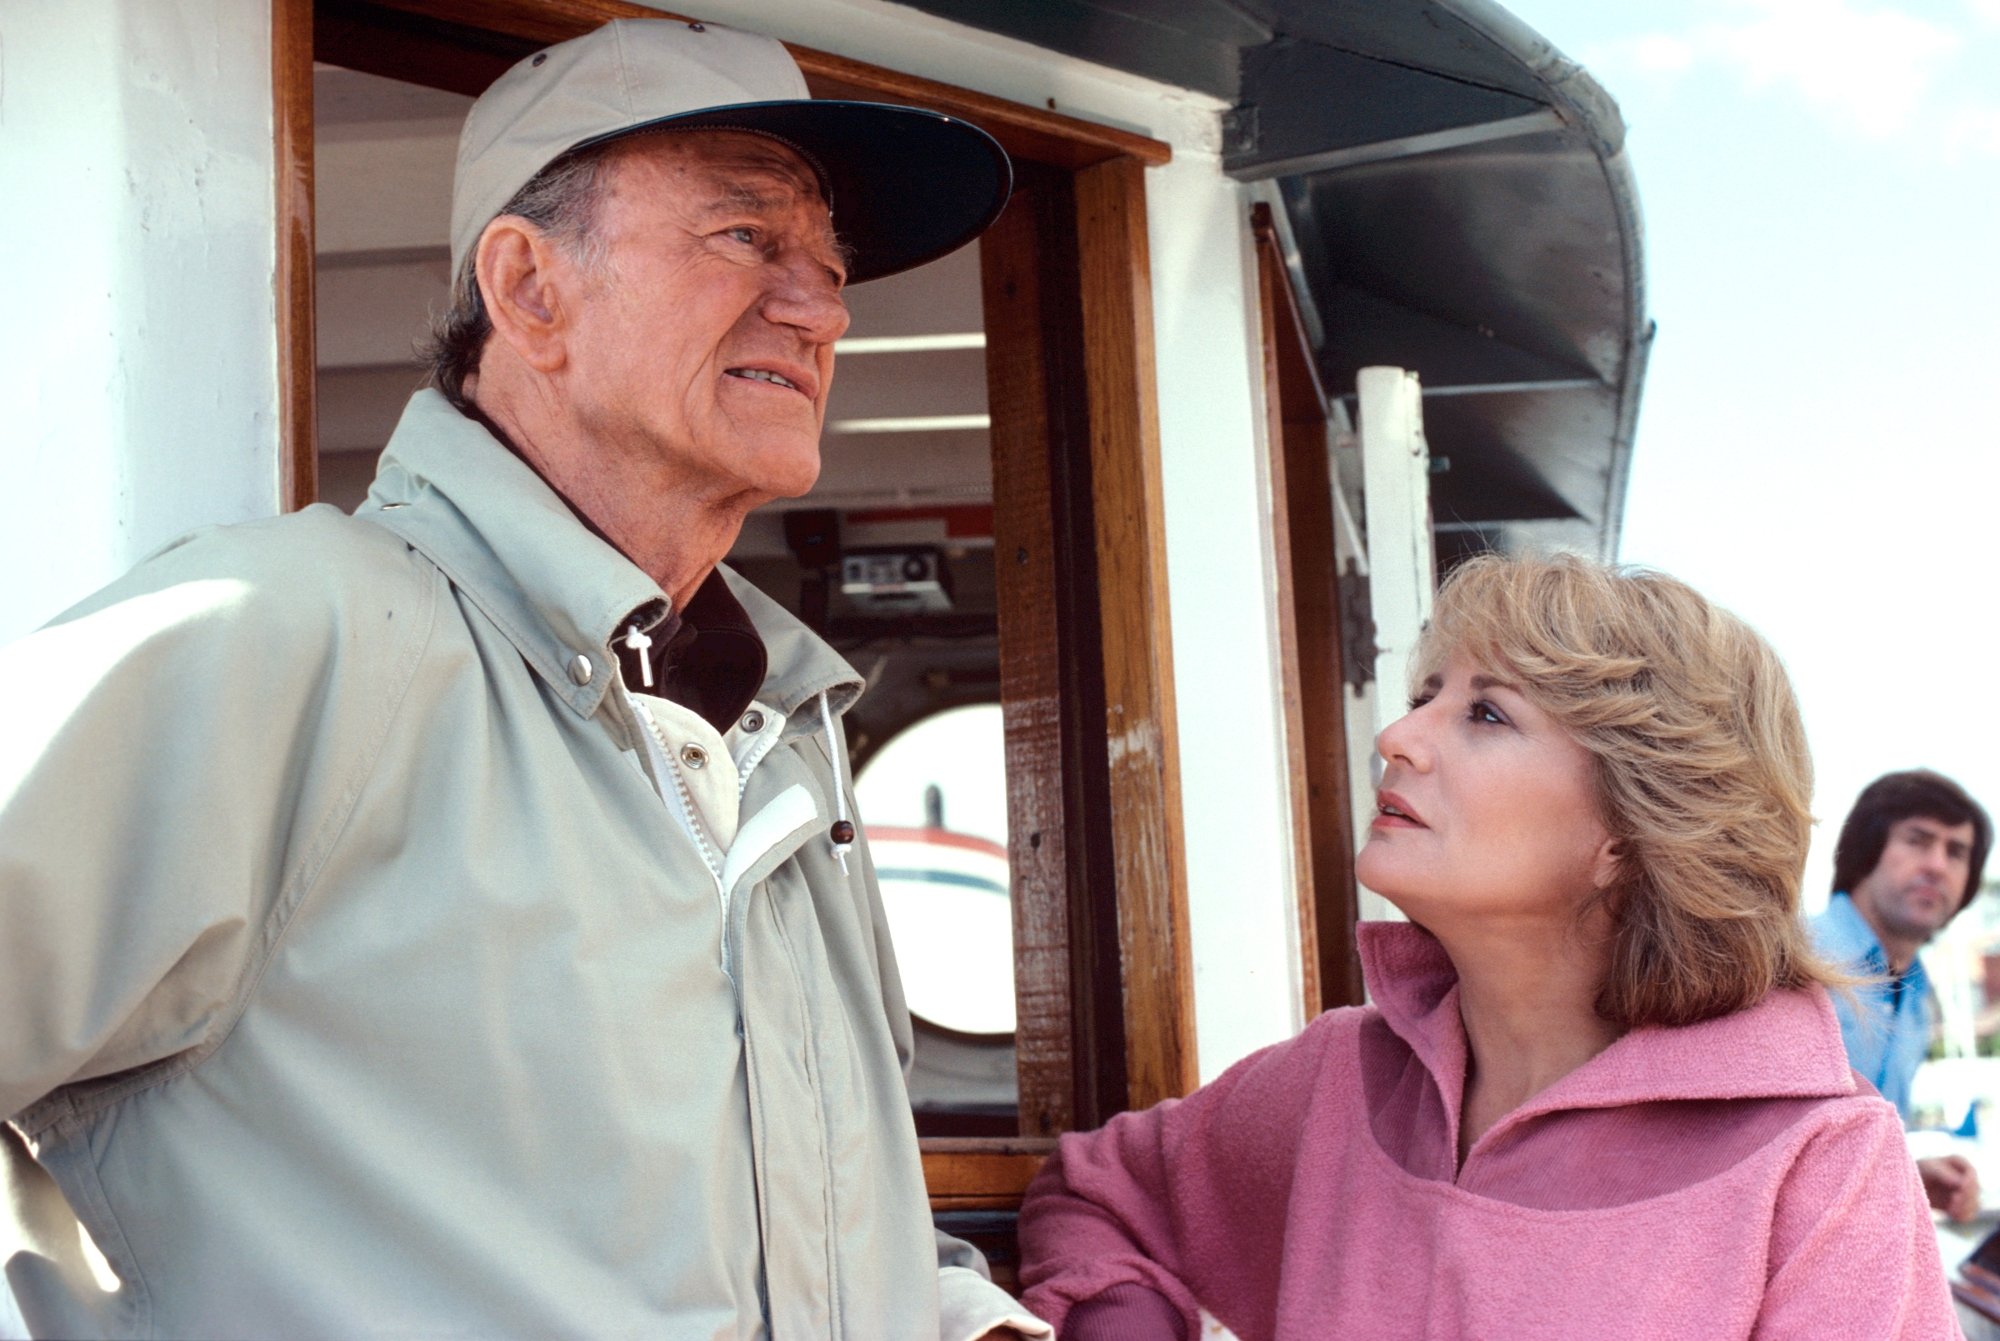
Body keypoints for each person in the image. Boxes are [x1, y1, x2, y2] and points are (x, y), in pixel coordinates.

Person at [0, 19, 1046, 1340]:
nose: (823, 305)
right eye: (748, 236)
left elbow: (819, 1219)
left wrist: (966, 1320)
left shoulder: (791, 730)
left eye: (829, 263)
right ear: (531, 289)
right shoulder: (289, 633)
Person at [1015, 554, 1956, 1339]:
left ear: (1634, 829)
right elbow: (1099, 1195)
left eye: (1487, 713)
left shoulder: (1821, 1166)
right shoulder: (1336, 1079)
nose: (1397, 735)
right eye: (1428, 694)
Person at [1814, 769, 1994, 1221]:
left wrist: (1908, 1175)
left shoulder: (1917, 994)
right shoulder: (1788, 959)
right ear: (1868, 850)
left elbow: (1842, 1155)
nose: (1937, 865)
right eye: (1918, 840)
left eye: (1957, 852)